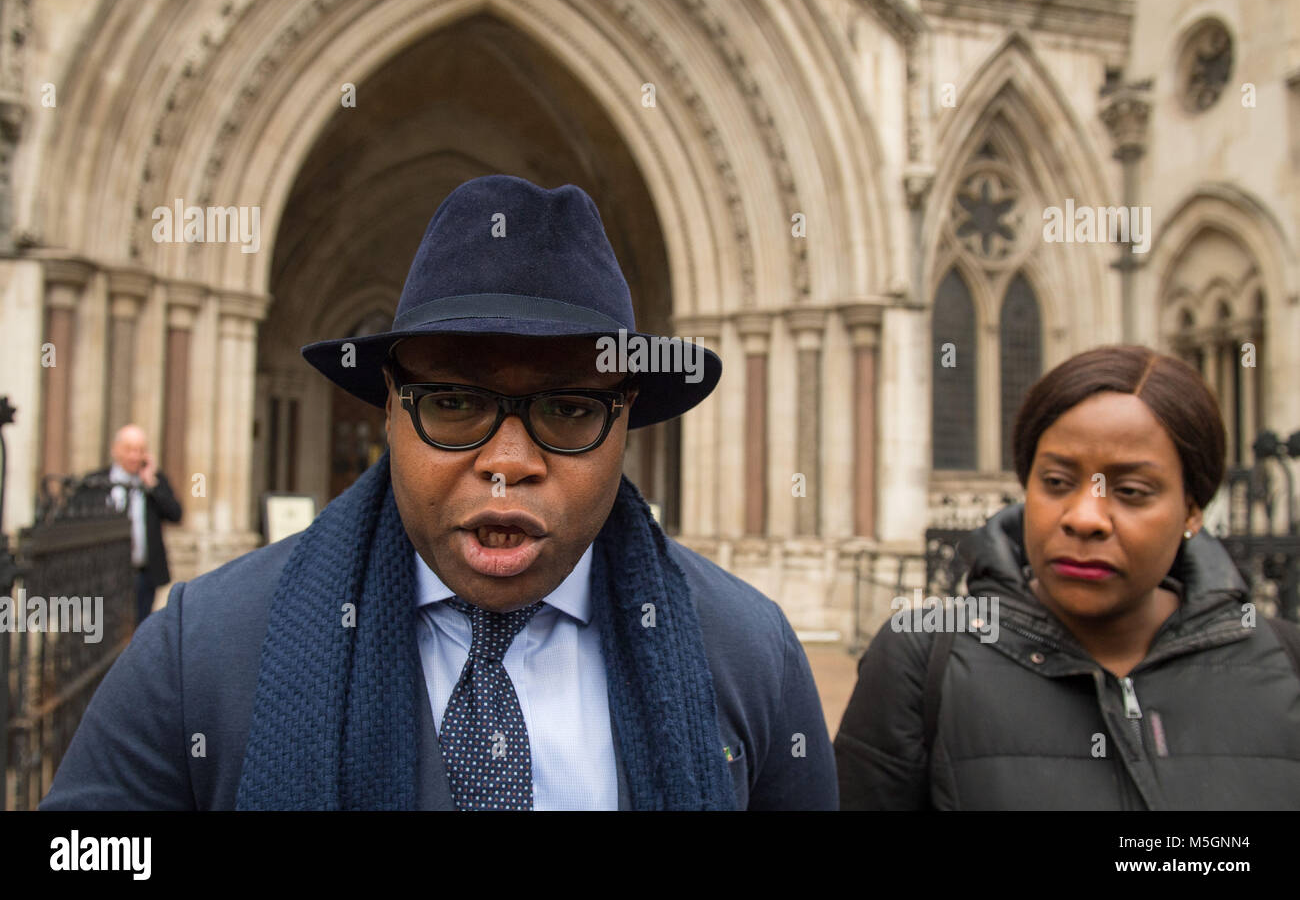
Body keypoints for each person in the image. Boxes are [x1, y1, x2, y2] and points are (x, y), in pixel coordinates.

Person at [40, 175, 837, 811]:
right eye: (455, 402)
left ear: (627, 416)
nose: (507, 462)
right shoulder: (200, 658)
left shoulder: (747, 655)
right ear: (389, 404)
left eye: (569, 408)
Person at [835, 345, 1300, 809]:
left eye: (1131, 491)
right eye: (1056, 482)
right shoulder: (920, 663)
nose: (1084, 518)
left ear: (1193, 510)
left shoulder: (1286, 664)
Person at [98, 424, 183, 625]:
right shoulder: (98, 481)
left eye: (140, 450)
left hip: (144, 573)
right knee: (109, 628)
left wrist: (151, 484)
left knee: (140, 625)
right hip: (107, 572)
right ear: (115, 450)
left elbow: (175, 515)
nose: (135, 456)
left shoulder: (154, 481)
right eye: (129, 450)